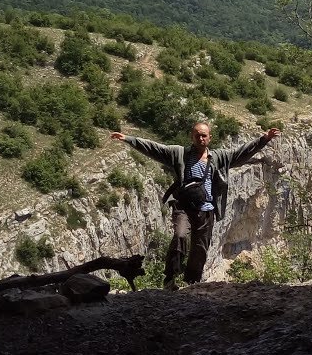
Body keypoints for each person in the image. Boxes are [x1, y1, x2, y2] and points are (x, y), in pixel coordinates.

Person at [110, 122, 281, 290]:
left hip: (206, 211)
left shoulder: (219, 157)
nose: (200, 138)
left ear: (209, 138)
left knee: (200, 249)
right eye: (197, 135)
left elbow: (241, 153)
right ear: (192, 137)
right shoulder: (180, 154)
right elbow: (155, 148)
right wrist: (129, 139)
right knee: (180, 236)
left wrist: (264, 139)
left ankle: (191, 283)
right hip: (183, 207)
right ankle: (170, 279)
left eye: (204, 135)